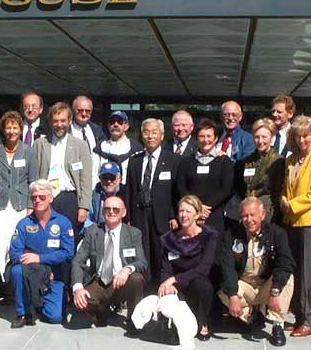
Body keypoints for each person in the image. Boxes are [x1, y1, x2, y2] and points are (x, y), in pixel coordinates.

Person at [219, 197, 295, 347]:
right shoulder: (231, 235)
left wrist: (275, 291)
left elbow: (285, 263)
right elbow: (227, 267)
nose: (249, 220)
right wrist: (233, 295)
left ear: (262, 215)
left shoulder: (276, 233)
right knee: (225, 292)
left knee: (287, 279)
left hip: (266, 285)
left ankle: (277, 324)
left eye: (253, 215)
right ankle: (251, 316)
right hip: (246, 284)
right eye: (245, 216)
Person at [280, 115, 311, 338]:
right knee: (297, 272)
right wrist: (284, 200)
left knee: (310, 273)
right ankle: (299, 317)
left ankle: (310, 320)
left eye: (306, 136)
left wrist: (292, 205)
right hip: (293, 221)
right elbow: (287, 188)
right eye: (298, 136)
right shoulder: (290, 160)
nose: (302, 140)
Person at [72, 195, 146, 333]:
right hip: (99, 281)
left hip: (122, 282)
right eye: (107, 209)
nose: (111, 212)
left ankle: (133, 319)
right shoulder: (92, 232)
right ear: (102, 212)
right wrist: (77, 288)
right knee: (81, 301)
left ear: (123, 212)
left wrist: (127, 269)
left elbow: (142, 262)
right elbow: (78, 261)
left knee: (136, 279)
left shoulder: (133, 233)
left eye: (116, 210)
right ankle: (101, 311)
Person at [9, 179, 75, 328]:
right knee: (17, 270)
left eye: (42, 197)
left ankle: (38, 303)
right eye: (34, 197)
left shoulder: (63, 223)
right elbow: (14, 253)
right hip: (32, 274)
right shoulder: (24, 224)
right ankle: (22, 313)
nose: (37, 200)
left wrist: (39, 258)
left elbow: (68, 252)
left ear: (51, 198)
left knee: (55, 317)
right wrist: (40, 270)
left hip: (54, 277)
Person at [125, 118, 180, 282]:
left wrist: (173, 215)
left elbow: (176, 192)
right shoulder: (134, 161)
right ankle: (144, 291)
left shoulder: (173, 160)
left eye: (154, 132)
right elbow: (129, 190)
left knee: (161, 254)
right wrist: (127, 217)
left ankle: (161, 289)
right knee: (142, 253)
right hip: (139, 214)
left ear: (162, 136)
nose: (150, 136)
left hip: (162, 217)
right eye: (146, 132)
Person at [0, 110, 38, 281]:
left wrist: (31, 206)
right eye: (8, 127)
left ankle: (12, 282)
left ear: (21, 129)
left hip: (20, 205)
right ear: (3, 130)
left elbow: (33, 181)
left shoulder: (29, 152)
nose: (11, 131)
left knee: (15, 244)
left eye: (15, 127)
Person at [158, 195, 219, 341]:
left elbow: (204, 268)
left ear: (197, 214)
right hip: (177, 287)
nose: (183, 215)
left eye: (188, 211)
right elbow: (165, 267)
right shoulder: (169, 239)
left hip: (196, 283)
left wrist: (174, 279)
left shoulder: (209, 236)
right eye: (181, 211)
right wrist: (165, 282)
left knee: (201, 284)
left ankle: (203, 321)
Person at [34, 102, 92, 240]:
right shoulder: (40, 144)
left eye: (62, 121)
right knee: (45, 239)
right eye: (55, 121)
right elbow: (34, 175)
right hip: (46, 198)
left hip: (69, 200)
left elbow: (86, 178)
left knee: (68, 240)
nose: (59, 124)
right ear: (50, 122)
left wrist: (83, 207)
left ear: (70, 121)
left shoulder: (81, 146)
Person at [176, 118, 234, 234]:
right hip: (191, 215)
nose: (205, 140)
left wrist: (206, 207)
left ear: (216, 138)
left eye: (209, 136)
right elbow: (181, 187)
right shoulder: (186, 162)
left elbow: (226, 189)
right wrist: (197, 207)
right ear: (196, 138)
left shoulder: (224, 161)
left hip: (214, 214)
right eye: (202, 136)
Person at [232, 118, 285, 223]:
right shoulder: (246, 161)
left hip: (267, 212)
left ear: (272, 138)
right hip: (247, 213)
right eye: (257, 137)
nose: (260, 141)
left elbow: (277, 191)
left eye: (264, 137)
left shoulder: (278, 161)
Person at [94, 111, 143, 181]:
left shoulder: (136, 149)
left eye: (120, 122)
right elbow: (94, 174)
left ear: (126, 126)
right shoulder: (100, 148)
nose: (115, 124)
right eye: (112, 121)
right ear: (108, 126)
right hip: (103, 189)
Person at [71, 95, 106, 189]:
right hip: (73, 186)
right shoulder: (66, 132)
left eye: (88, 111)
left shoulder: (97, 131)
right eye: (80, 110)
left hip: (95, 184)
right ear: (73, 110)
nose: (84, 113)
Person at [85, 162, 126, 229]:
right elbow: (87, 219)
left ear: (119, 179)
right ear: (100, 179)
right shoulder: (94, 195)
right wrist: (96, 231)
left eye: (112, 177)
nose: (109, 181)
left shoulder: (126, 194)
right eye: (105, 178)